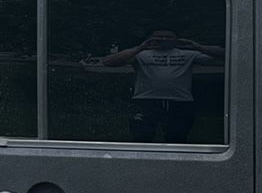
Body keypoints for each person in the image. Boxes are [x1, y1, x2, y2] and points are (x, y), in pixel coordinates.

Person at [90, 28, 224, 143]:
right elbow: (109, 62)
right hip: (146, 100)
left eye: (168, 37)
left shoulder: (188, 54)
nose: (164, 39)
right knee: (142, 137)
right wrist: (140, 47)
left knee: (177, 138)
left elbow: (225, 56)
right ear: (150, 39)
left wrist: (198, 46)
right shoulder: (141, 54)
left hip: (180, 100)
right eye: (159, 37)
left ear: (176, 39)